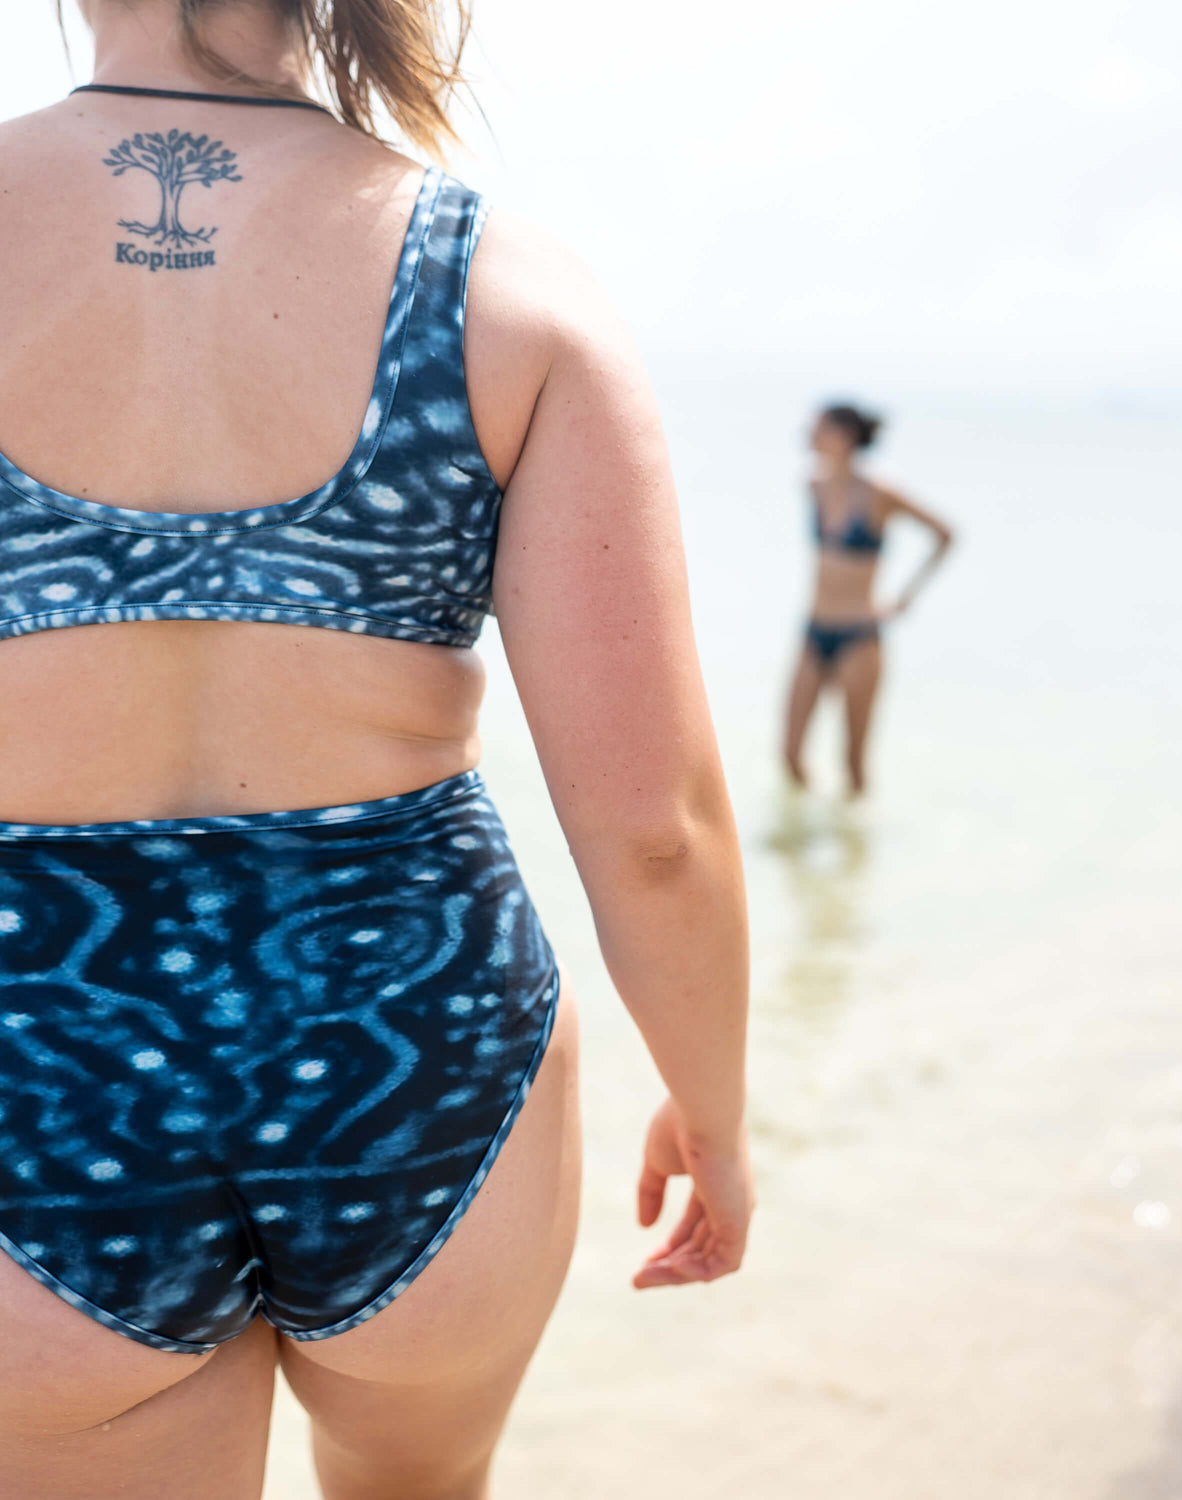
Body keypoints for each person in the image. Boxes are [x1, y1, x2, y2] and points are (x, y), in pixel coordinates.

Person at [0, 3, 753, 1496]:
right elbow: (654, 826)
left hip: (39, 1049)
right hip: (421, 1052)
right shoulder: (506, 286)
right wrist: (713, 1113)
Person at [782, 403, 954, 795]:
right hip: (814, 630)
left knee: (853, 764)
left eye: (820, 426)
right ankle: (808, 842)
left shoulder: (878, 491)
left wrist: (904, 598)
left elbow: (945, 534)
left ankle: (854, 847)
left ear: (844, 436)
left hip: (859, 635)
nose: (810, 431)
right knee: (790, 757)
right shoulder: (813, 486)